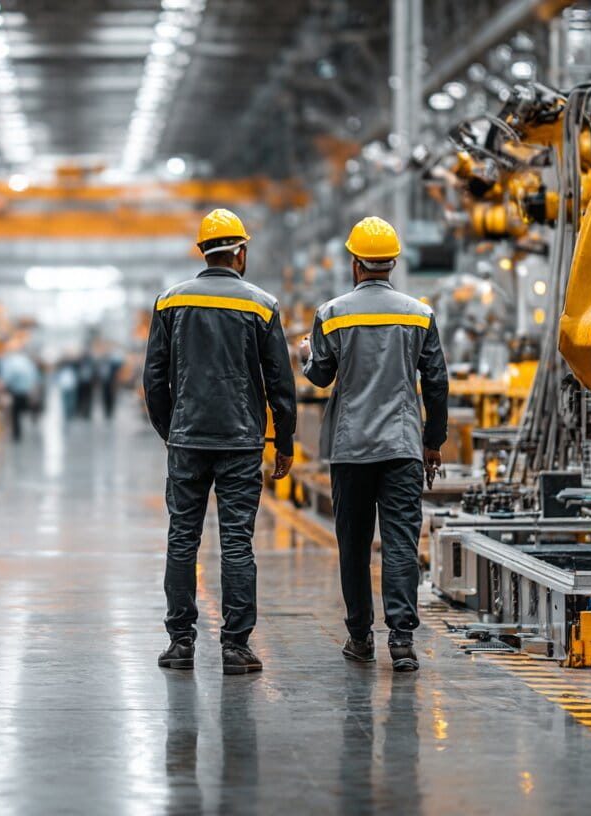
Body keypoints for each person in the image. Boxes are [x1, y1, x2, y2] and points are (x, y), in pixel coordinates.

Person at [144, 208, 297, 675]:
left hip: (188, 439)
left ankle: (180, 643)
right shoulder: (261, 305)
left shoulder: (170, 302)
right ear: (241, 252)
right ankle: (235, 647)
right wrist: (284, 440)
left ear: (203, 252)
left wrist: (172, 431)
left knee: (182, 540)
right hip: (240, 442)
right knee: (236, 542)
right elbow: (279, 382)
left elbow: (154, 379)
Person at [300, 216, 449, 673]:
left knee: (354, 543)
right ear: (392, 263)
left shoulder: (331, 314)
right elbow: (438, 382)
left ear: (354, 263)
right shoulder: (419, 314)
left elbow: (322, 376)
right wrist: (433, 441)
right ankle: (402, 642)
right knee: (401, 542)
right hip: (402, 446)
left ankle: (360, 638)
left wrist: (308, 355)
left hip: (351, 448)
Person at [0, 343, 41, 442]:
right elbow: (35, 376)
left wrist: (2, 387)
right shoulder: (27, 361)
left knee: (15, 413)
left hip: (15, 391)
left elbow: (6, 377)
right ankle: (32, 420)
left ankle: (17, 434)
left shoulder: (9, 362)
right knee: (25, 409)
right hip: (27, 391)